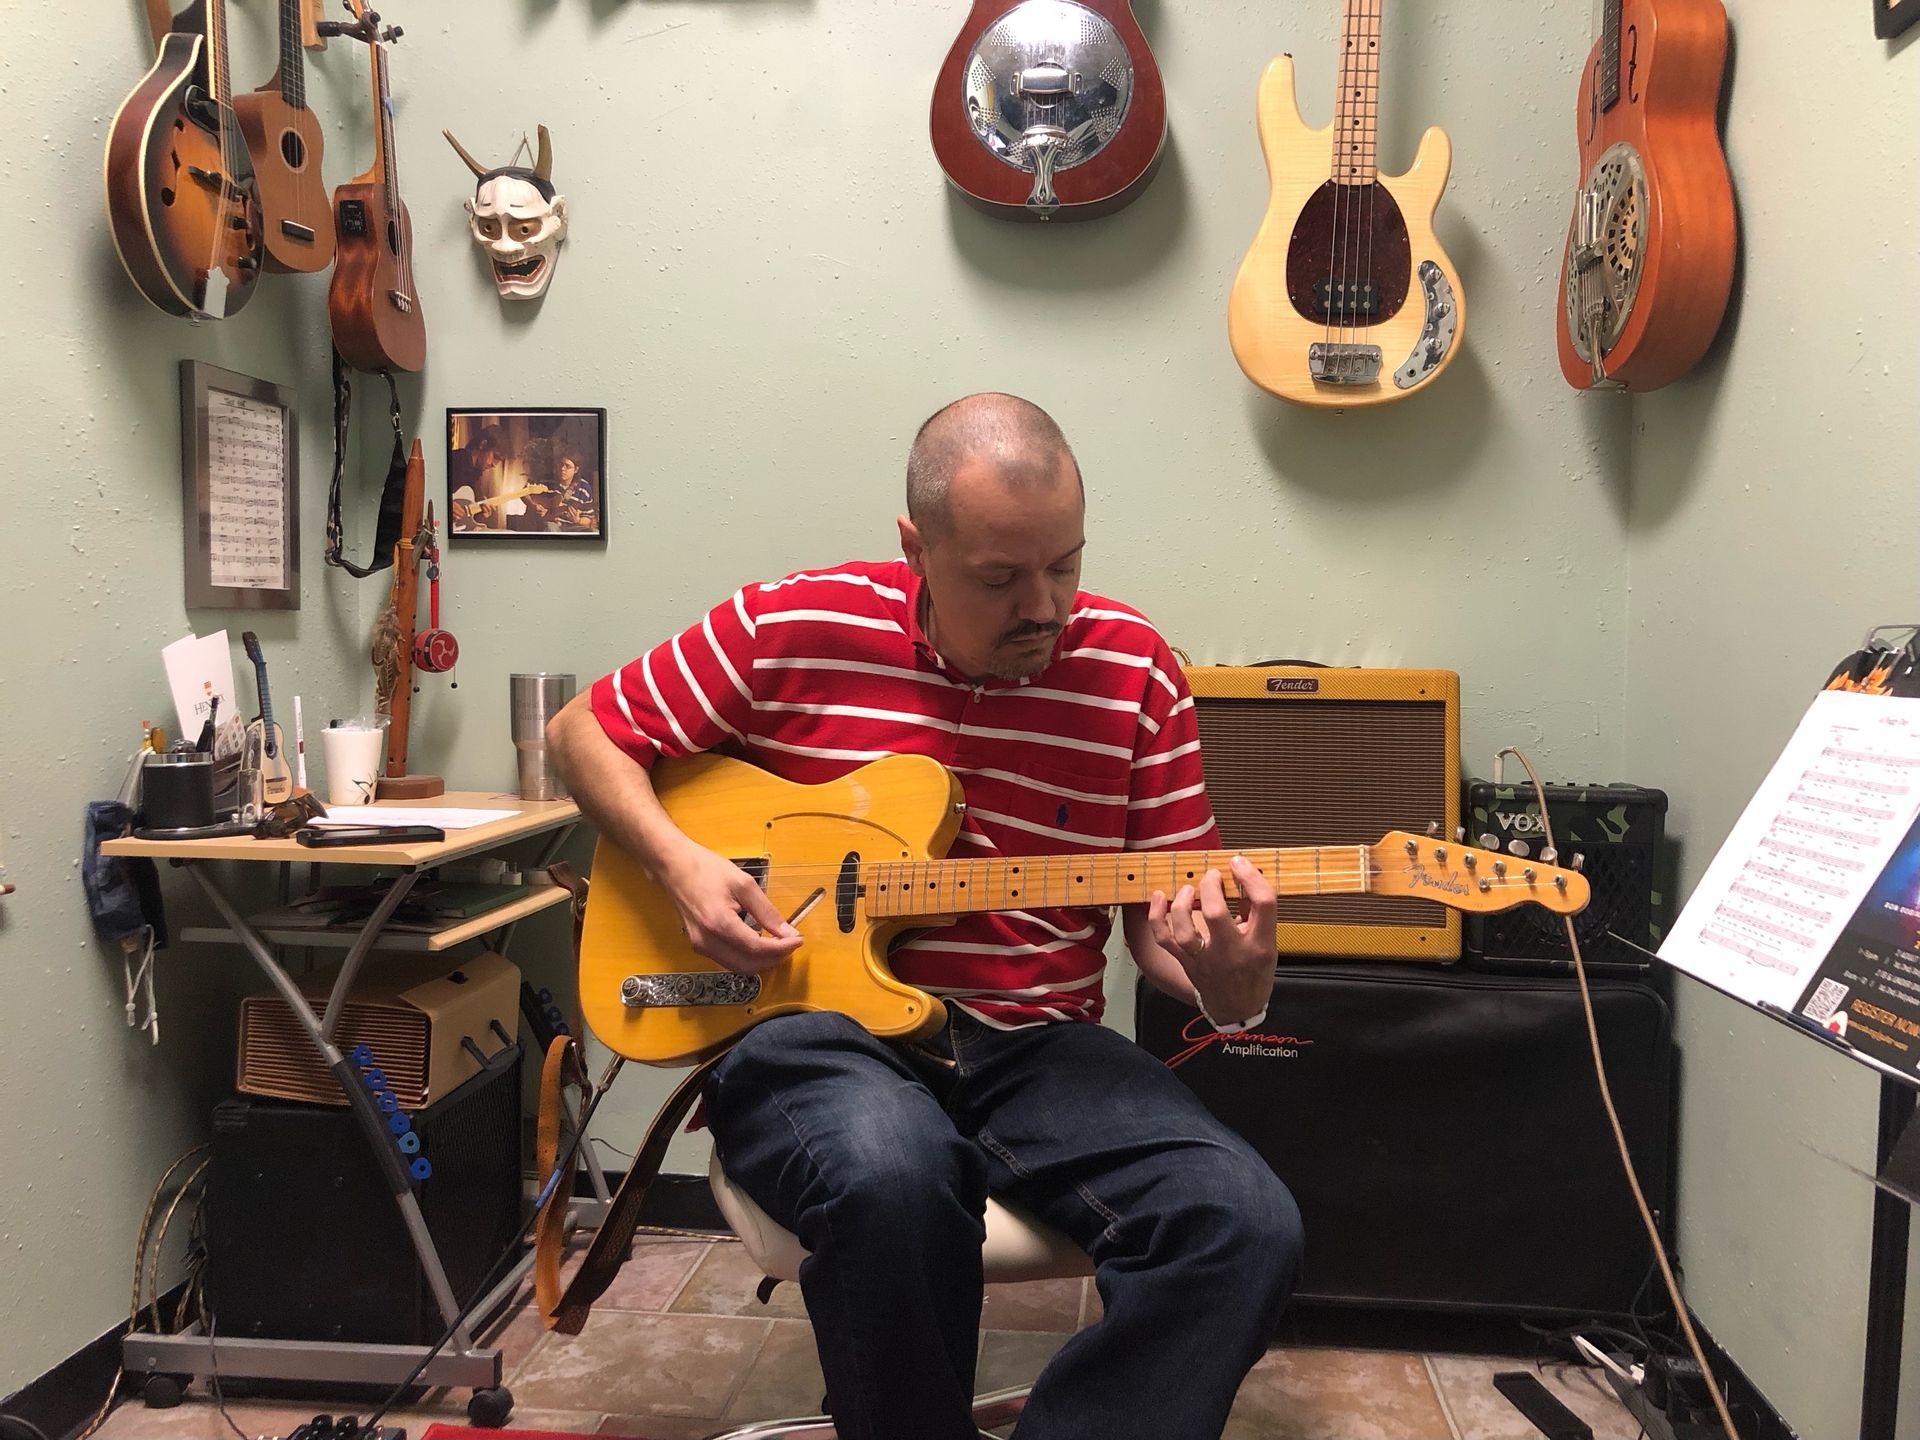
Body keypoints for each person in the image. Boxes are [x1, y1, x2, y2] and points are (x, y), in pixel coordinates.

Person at [546, 393, 1301, 1440]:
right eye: (999, 578)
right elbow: (584, 733)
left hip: (1042, 1047)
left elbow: (1162, 934)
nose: (1045, 606)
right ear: (917, 547)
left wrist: (1232, 980)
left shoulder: (1135, 672)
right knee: (891, 1177)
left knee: (1244, 1221)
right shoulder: (792, 623)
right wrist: (679, 865)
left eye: (1065, 565)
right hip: (814, 1033)